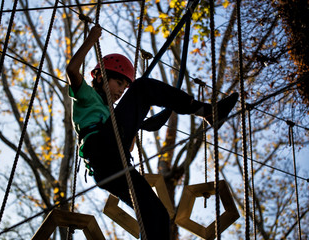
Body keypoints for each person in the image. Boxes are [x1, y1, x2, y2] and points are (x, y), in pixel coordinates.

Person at [66, 24, 238, 240]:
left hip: (115, 167)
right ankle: (204, 111)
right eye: (118, 83)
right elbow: (72, 69)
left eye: (124, 86)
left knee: (158, 216)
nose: (121, 90)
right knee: (143, 87)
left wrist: (137, 122)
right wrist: (91, 39)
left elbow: (126, 146)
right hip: (100, 150)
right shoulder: (86, 94)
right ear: (100, 76)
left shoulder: (114, 114)